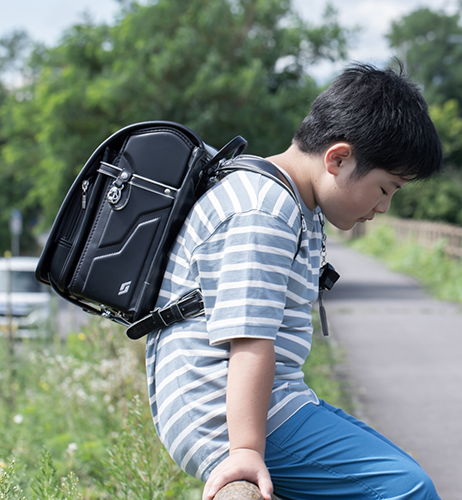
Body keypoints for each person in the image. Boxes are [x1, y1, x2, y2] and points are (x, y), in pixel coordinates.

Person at [144, 63, 444, 500]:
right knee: (406, 489)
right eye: (385, 188)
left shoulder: (285, 198)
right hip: (219, 414)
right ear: (338, 158)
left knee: (402, 470)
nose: (384, 207)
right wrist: (245, 449)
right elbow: (249, 338)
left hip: (261, 402)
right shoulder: (264, 211)